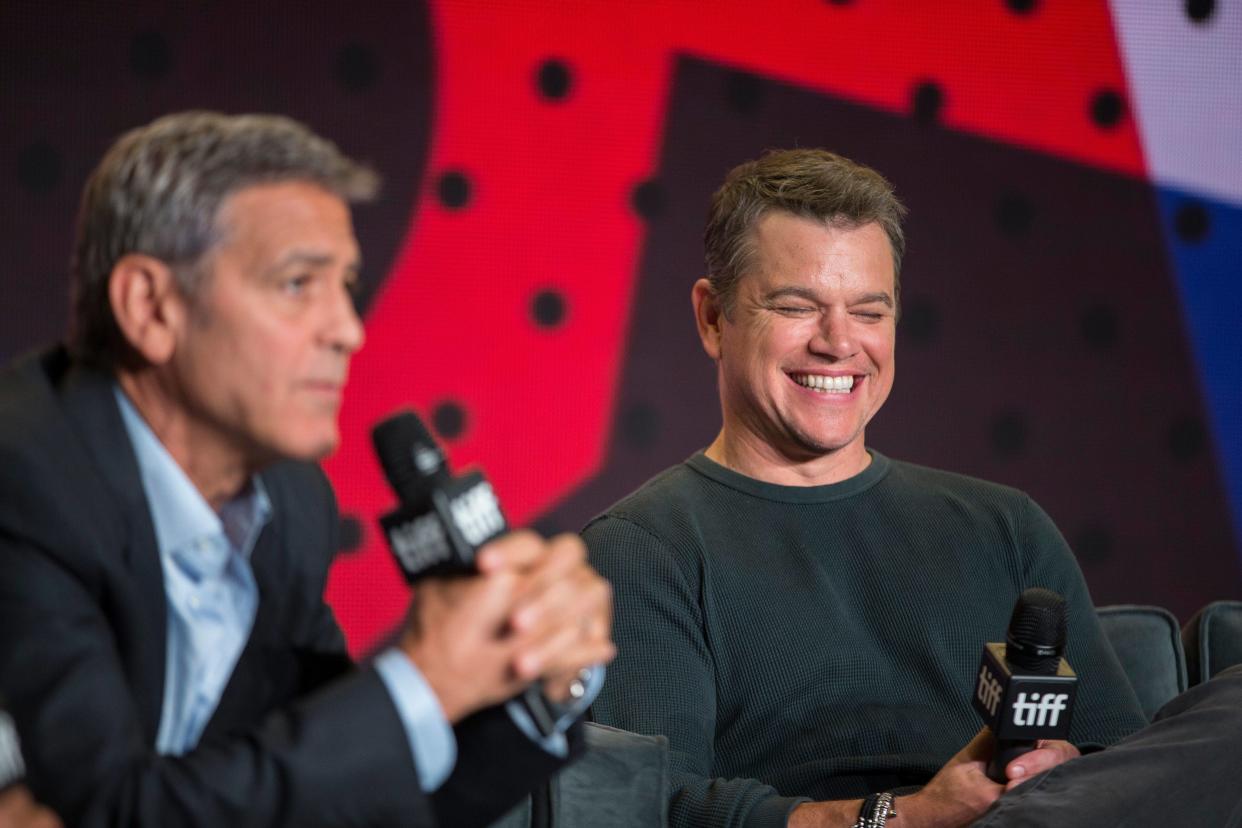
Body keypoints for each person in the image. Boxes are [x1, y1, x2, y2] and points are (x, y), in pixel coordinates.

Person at [0, 112, 614, 827]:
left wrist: (536, 682)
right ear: (152, 307)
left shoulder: (290, 506)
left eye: (345, 286)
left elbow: (330, 793)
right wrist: (426, 680)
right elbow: (112, 811)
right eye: (297, 284)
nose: (348, 331)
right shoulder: (24, 480)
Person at [582, 148, 1149, 827]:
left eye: (869, 312)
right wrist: (908, 819)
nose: (839, 343)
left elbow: (1133, 765)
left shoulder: (1007, 527)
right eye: (797, 306)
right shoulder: (642, 550)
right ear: (713, 319)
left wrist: (1062, 773)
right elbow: (657, 810)